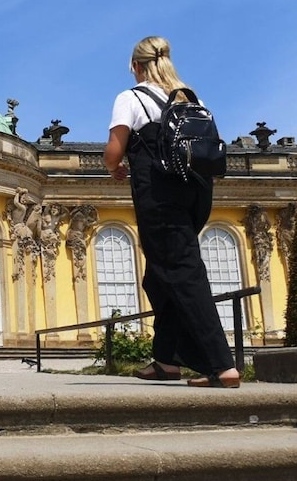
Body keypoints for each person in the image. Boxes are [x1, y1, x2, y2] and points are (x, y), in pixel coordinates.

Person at [103, 36, 240, 388]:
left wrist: (116, 167)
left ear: (136, 66)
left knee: (182, 271)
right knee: (158, 276)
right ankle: (166, 360)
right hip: (196, 193)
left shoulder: (130, 98)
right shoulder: (190, 98)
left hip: (159, 195)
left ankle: (221, 365)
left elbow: (113, 153)